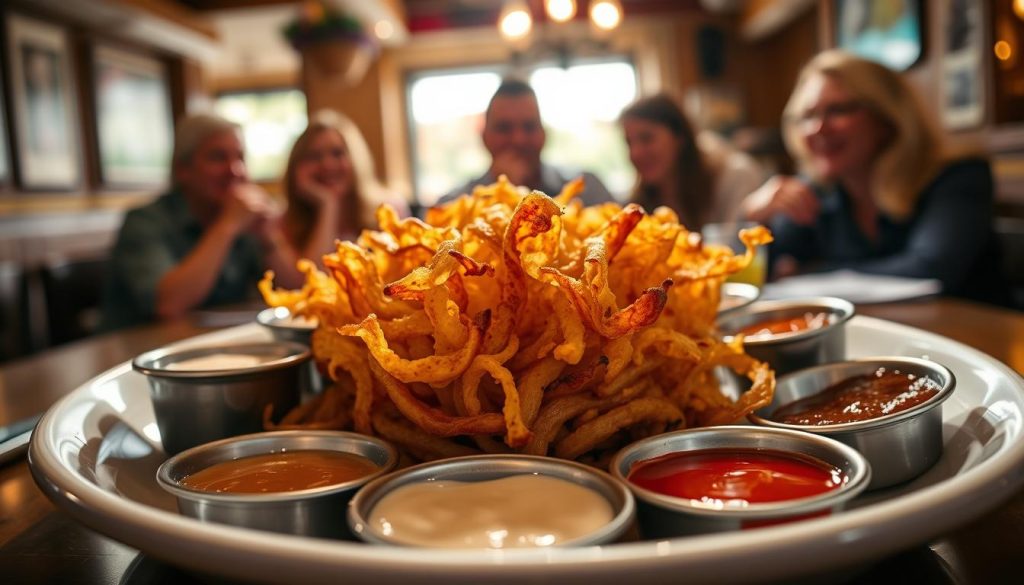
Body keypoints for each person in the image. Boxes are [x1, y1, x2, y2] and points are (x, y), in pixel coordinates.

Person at [741, 50, 1006, 304]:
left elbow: (932, 268)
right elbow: (761, 275)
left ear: (886, 118)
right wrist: (752, 219)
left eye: (838, 110)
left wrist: (812, 272)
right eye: (807, 115)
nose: (817, 128)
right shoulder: (818, 193)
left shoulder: (958, 175)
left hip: (979, 339)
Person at [100, 113, 295, 330]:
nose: (235, 170)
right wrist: (227, 226)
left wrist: (269, 238)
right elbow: (169, 305)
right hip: (133, 353)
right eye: (218, 158)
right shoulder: (144, 222)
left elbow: (294, 294)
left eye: (240, 158)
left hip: (212, 348)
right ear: (184, 170)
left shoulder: (242, 219)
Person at [440, 79, 615, 206]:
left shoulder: (588, 190)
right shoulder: (451, 207)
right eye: (504, 128)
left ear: (544, 135)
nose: (519, 139)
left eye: (529, 127)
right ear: (484, 137)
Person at [280, 109, 409, 265]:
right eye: (314, 156)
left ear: (356, 159)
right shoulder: (286, 224)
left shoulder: (390, 209)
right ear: (297, 166)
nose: (327, 164)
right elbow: (314, 280)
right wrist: (328, 205)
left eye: (337, 153)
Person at [619, 93, 766, 230]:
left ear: (679, 137)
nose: (635, 153)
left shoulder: (732, 177)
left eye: (647, 138)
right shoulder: (635, 207)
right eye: (629, 143)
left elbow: (736, 248)